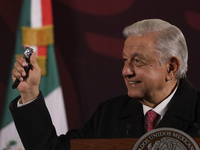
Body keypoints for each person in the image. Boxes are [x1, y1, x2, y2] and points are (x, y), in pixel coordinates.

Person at [10, 19, 200, 150]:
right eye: (125, 60)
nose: (126, 71)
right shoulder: (110, 113)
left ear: (171, 67)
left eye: (138, 61)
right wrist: (30, 93)